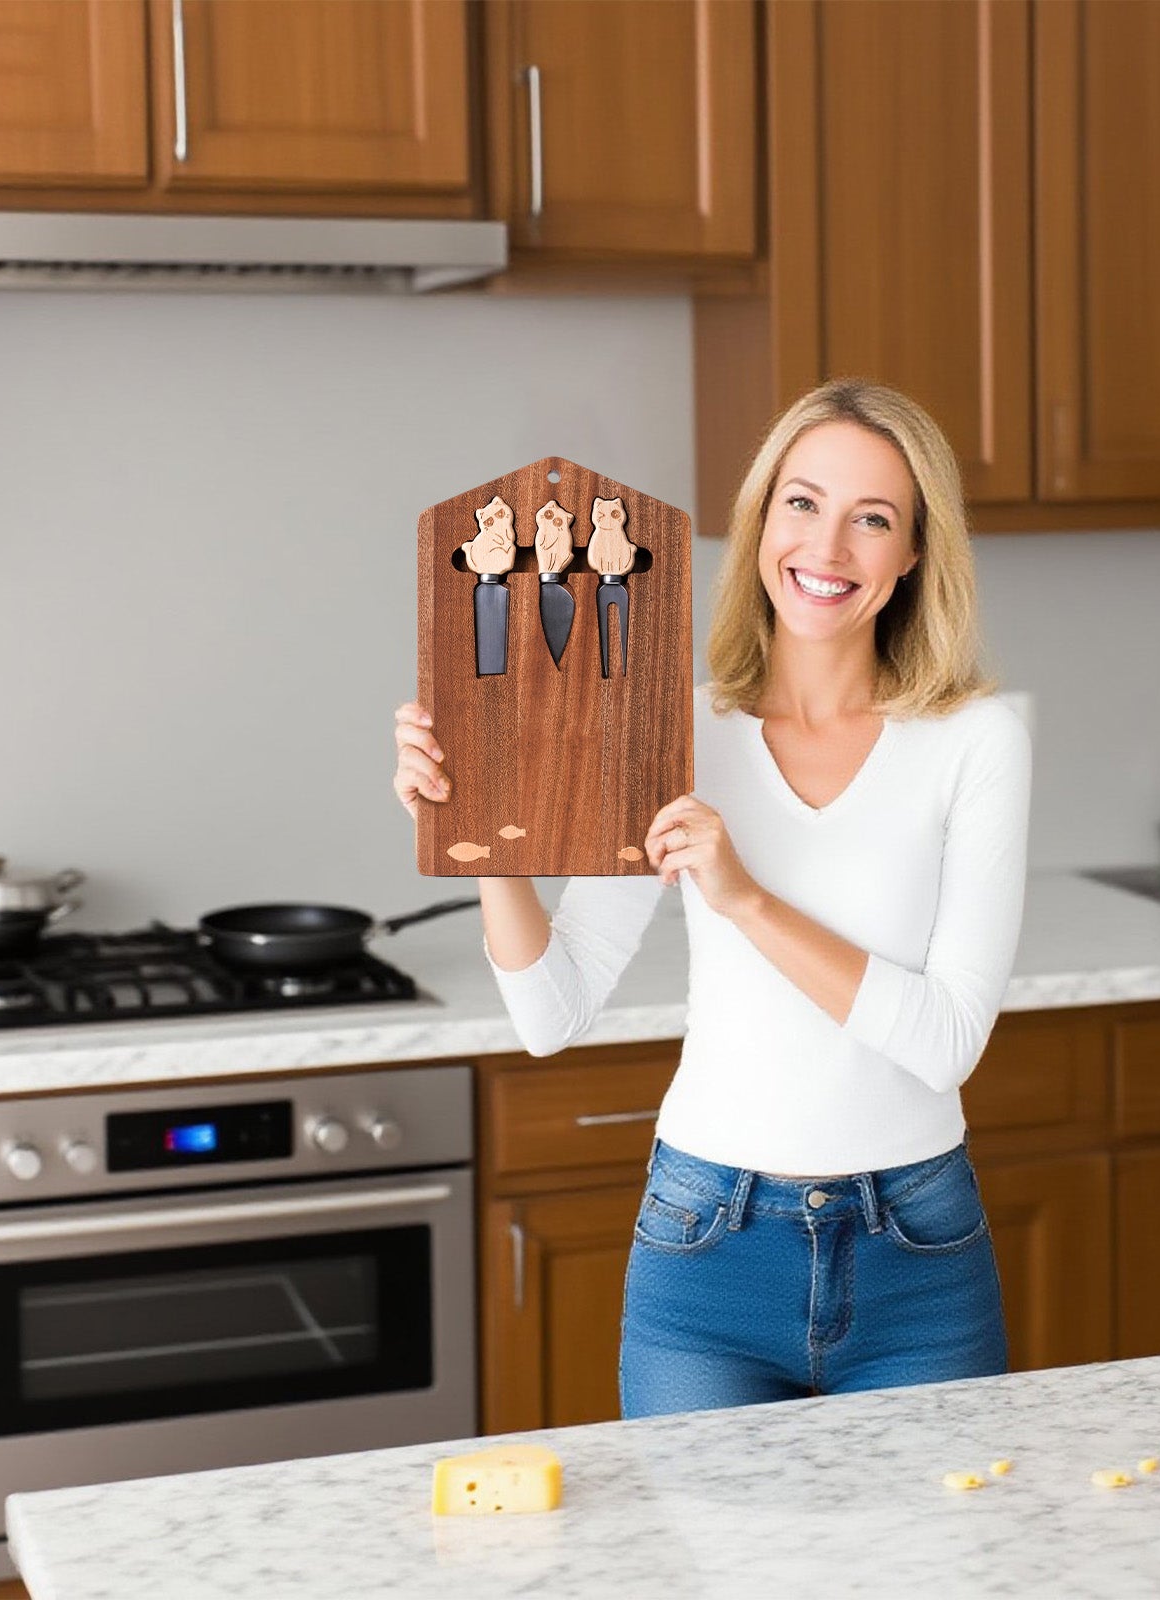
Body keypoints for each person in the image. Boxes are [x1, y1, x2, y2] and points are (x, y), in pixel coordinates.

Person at [394, 379, 1031, 1418]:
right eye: (802, 502)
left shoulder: (975, 741)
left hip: (917, 1255)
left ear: (913, 553)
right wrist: (478, 827)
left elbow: (946, 1039)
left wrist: (744, 897)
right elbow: (551, 1013)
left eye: (872, 519)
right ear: (760, 519)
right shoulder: (670, 732)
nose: (826, 547)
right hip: (706, 1250)